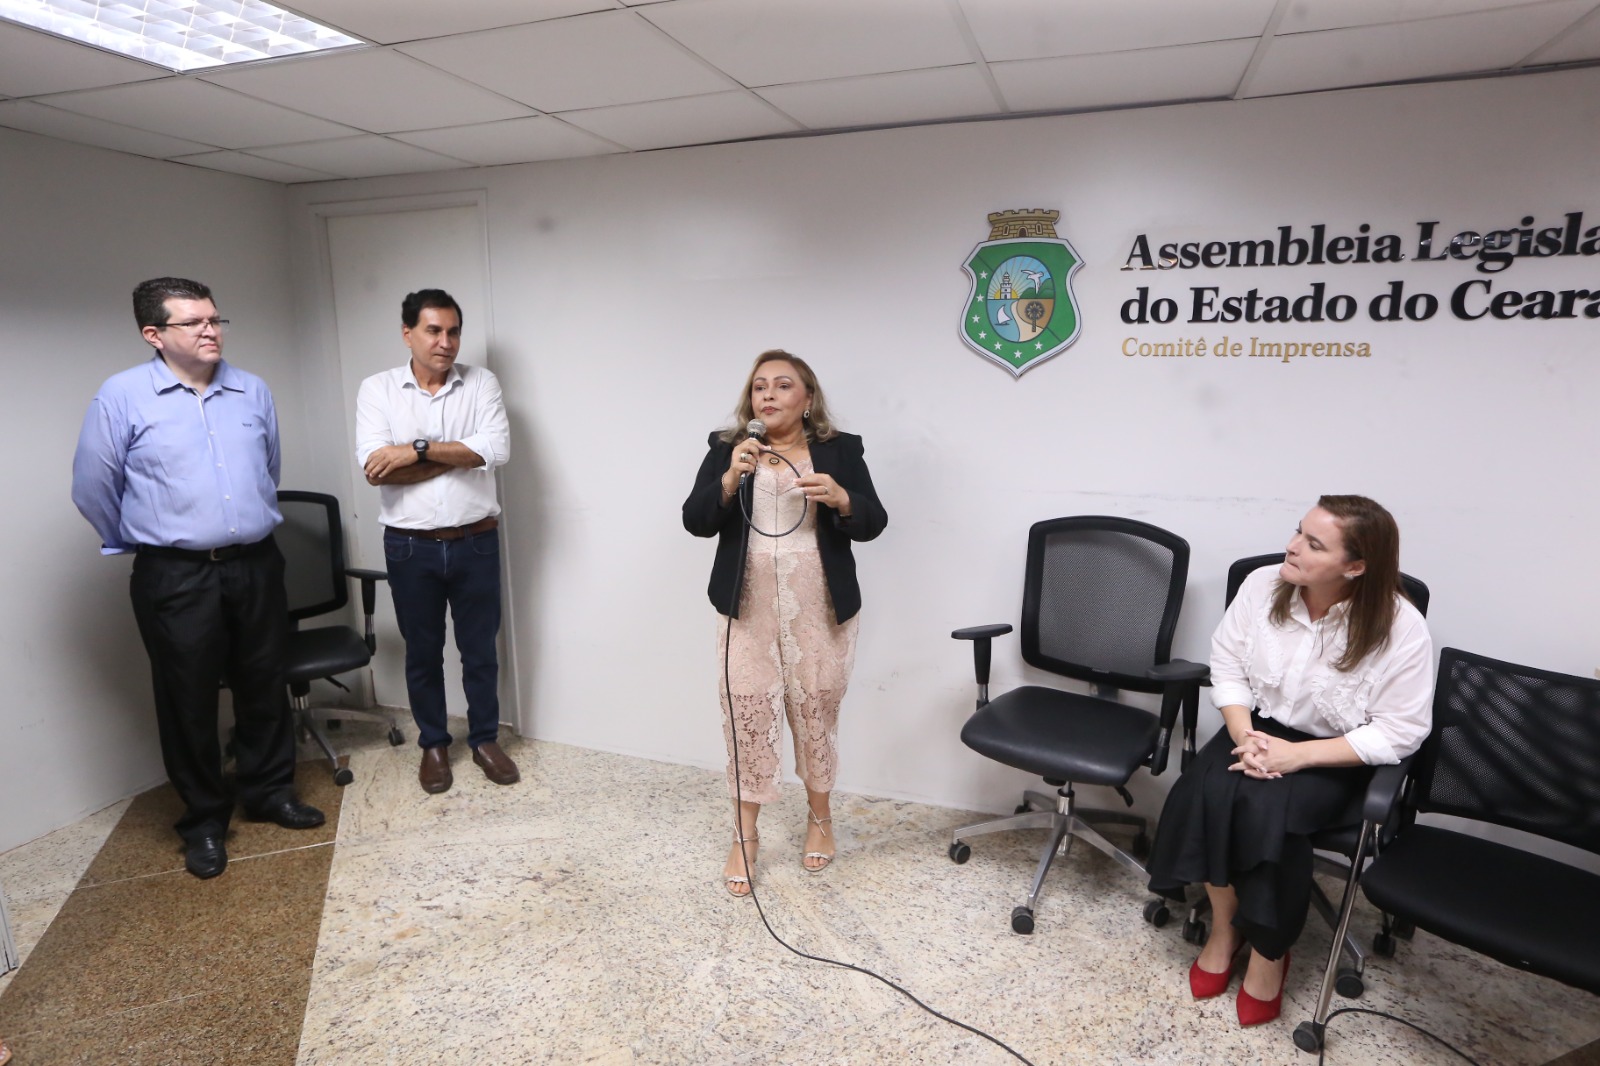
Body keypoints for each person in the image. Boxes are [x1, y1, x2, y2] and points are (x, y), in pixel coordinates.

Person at [1145, 495, 1434, 1026]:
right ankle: (1225, 929)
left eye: (1313, 544)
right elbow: (1227, 665)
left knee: (1267, 813)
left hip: (1336, 755)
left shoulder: (1402, 627)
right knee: (1205, 789)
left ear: (1356, 566)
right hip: (1256, 730)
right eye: (1298, 531)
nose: (1292, 546)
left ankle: (1269, 953)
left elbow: (1402, 729)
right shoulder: (1262, 585)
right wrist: (1244, 736)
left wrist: (1298, 756)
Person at [71, 277, 325, 881]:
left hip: (256, 563)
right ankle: (205, 820)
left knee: (264, 681)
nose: (211, 331)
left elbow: (268, 471)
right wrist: (145, 538)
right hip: (176, 575)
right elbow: (93, 487)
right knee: (186, 698)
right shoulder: (122, 396)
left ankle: (269, 792)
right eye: (194, 322)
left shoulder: (252, 389)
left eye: (214, 319)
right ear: (153, 334)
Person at [682, 350, 887, 896]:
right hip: (747, 606)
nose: (768, 395)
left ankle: (820, 819)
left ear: (807, 398)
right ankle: (744, 835)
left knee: (814, 710)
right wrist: (730, 478)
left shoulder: (840, 450)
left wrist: (843, 499)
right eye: (759, 387)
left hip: (817, 605)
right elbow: (695, 521)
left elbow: (874, 521)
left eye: (782, 385)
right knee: (746, 712)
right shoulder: (728, 448)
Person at [355, 289, 516, 795]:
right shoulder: (377, 389)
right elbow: (377, 470)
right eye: (433, 331)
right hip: (410, 547)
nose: (445, 342)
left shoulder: (481, 382)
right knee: (422, 653)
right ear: (408, 334)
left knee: (480, 651)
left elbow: (495, 450)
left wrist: (415, 450)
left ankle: (485, 740)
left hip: (476, 542)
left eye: (453, 331)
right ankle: (434, 744)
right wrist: (457, 454)